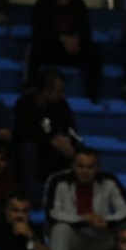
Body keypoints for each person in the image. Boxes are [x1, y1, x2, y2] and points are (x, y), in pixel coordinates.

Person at [44, 146, 126, 250]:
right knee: (60, 229)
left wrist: (106, 220)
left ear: (97, 167)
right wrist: (85, 219)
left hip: (102, 239)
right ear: (72, 166)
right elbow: (53, 213)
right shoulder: (58, 180)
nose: (85, 171)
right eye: (81, 166)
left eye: (90, 167)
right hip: (74, 242)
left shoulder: (108, 181)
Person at [12, 67, 78, 202]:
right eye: (59, 91)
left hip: (50, 153)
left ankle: (69, 198)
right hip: (28, 154)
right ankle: (32, 197)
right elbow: (22, 134)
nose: (62, 95)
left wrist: (68, 141)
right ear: (46, 90)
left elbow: (72, 131)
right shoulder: (25, 103)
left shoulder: (62, 105)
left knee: (78, 151)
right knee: (28, 148)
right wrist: (51, 142)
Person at [28, 0, 101, 103]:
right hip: (51, 50)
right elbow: (38, 33)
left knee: (95, 51)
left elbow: (86, 33)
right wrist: (61, 39)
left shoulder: (79, 5)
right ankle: (30, 89)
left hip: (73, 50)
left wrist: (75, 42)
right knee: (33, 48)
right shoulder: (43, 4)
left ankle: (92, 95)